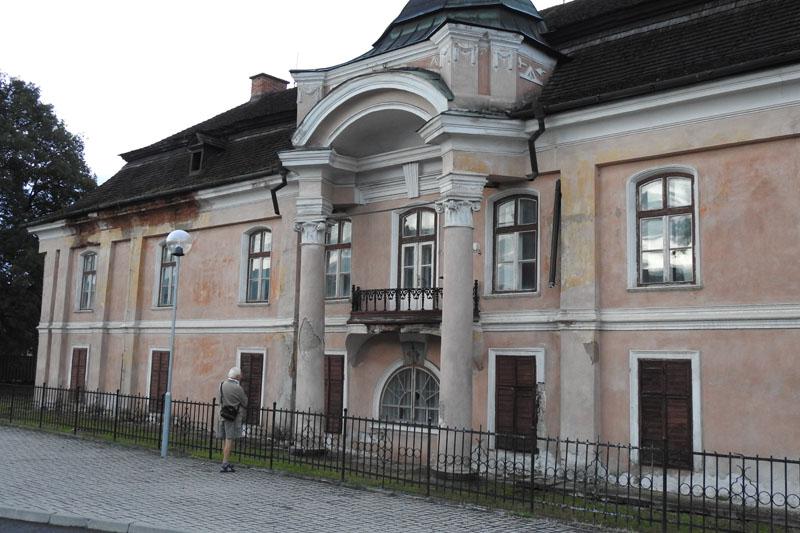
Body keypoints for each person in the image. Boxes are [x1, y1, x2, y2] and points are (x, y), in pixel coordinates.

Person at [219, 366, 248, 473]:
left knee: (224, 439)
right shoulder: (238, 388)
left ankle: (225, 461)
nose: (242, 376)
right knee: (229, 439)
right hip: (232, 417)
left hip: (223, 414)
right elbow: (245, 402)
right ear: (237, 376)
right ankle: (225, 463)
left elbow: (220, 399)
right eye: (240, 375)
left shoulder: (222, 384)